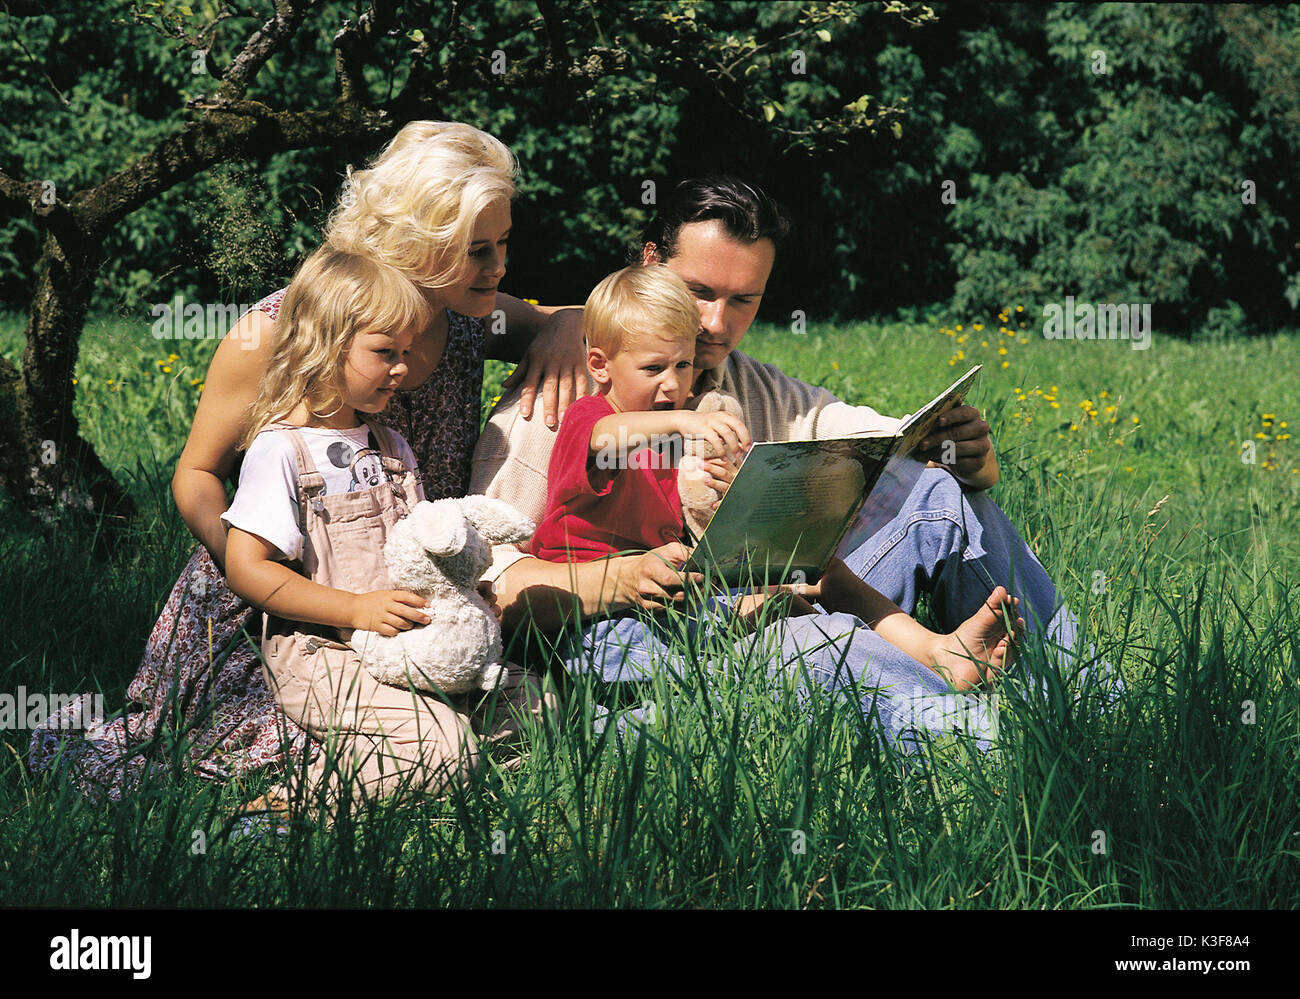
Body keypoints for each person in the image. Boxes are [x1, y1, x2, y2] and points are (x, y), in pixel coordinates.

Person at [29, 121, 585, 800]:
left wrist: (562, 326)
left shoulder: (468, 315)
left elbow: (571, 316)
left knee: (524, 723)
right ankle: (281, 801)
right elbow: (195, 476)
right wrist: (270, 572)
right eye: (477, 251)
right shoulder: (282, 332)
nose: (499, 268)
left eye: (502, 244)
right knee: (379, 749)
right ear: (413, 240)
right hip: (287, 601)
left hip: (406, 596)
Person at [471, 176, 1109, 743]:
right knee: (803, 639)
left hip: (717, 602)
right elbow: (492, 585)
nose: (716, 324)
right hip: (623, 633)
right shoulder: (564, 397)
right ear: (650, 266)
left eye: (744, 299)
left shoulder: (747, 384)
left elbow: (876, 436)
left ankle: (1084, 693)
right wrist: (624, 578)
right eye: (698, 291)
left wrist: (966, 455)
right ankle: (989, 741)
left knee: (939, 497)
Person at [532, 263, 1021, 692]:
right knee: (768, 631)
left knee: (822, 576)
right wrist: (683, 421)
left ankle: (938, 651)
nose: (674, 383)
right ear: (599, 365)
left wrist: (738, 492)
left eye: (683, 364)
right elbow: (608, 436)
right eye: (653, 367)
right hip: (593, 626)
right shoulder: (589, 418)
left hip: (670, 599)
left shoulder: (670, 438)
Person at [220, 245, 549, 823]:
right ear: (322, 345)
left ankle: (430, 754)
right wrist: (354, 608)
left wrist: (468, 593)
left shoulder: (390, 446)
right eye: (384, 353)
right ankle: (284, 807)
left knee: (540, 702)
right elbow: (248, 568)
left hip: (410, 640)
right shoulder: (282, 450)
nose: (402, 368)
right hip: (322, 650)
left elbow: (422, 550)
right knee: (444, 750)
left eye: (405, 352)